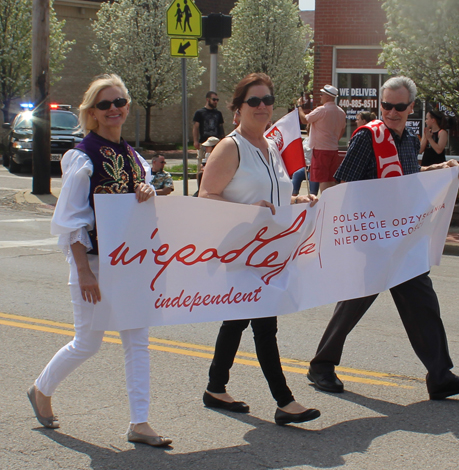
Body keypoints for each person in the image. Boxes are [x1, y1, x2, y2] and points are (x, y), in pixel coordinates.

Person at [308, 76, 459, 401]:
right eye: (386, 105)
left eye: (399, 106)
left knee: (423, 304)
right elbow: (344, 185)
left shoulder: (408, 139)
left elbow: (408, 178)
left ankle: (440, 376)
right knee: (354, 302)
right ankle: (321, 365)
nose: (391, 112)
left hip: (402, 238)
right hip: (373, 238)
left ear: (410, 107)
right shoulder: (367, 138)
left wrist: (441, 168)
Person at [27, 74, 171, 447]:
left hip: (131, 264)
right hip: (94, 263)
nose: (114, 109)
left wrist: (146, 187)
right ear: (92, 112)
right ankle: (41, 389)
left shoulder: (133, 156)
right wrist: (84, 272)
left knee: (137, 340)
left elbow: (147, 199)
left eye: (120, 102)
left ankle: (140, 422)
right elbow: (71, 221)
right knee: (87, 343)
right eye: (105, 104)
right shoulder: (83, 156)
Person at [199, 72, 320, 426]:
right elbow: (206, 197)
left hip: (272, 253)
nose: (263, 106)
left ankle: (215, 387)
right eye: (254, 101)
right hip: (241, 252)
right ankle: (285, 401)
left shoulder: (270, 146)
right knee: (265, 326)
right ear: (237, 109)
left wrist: (300, 200)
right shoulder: (230, 147)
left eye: (268, 100)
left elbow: (276, 197)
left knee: (237, 322)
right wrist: (247, 213)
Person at [297, 85, 346, 193]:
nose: (321, 96)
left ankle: (326, 204)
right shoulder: (341, 112)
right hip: (333, 149)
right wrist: (333, 140)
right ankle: (332, 201)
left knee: (323, 179)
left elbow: (305, 120)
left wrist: (299, 106)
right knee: (330, 179)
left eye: (322, 94)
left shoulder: (321, 110)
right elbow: (342, 129)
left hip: (321, 149)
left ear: (327, 96)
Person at [193, 91, 225, 170]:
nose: (215, 102)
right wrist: (195, 141)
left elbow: (221, 127)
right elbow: (196, 127)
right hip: (204, 142)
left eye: (217, 100)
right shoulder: (199, 113)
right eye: (214, 99)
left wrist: (223, 140)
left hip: (216, 141)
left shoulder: (218, 113)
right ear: (208, 99)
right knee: (201, 163)